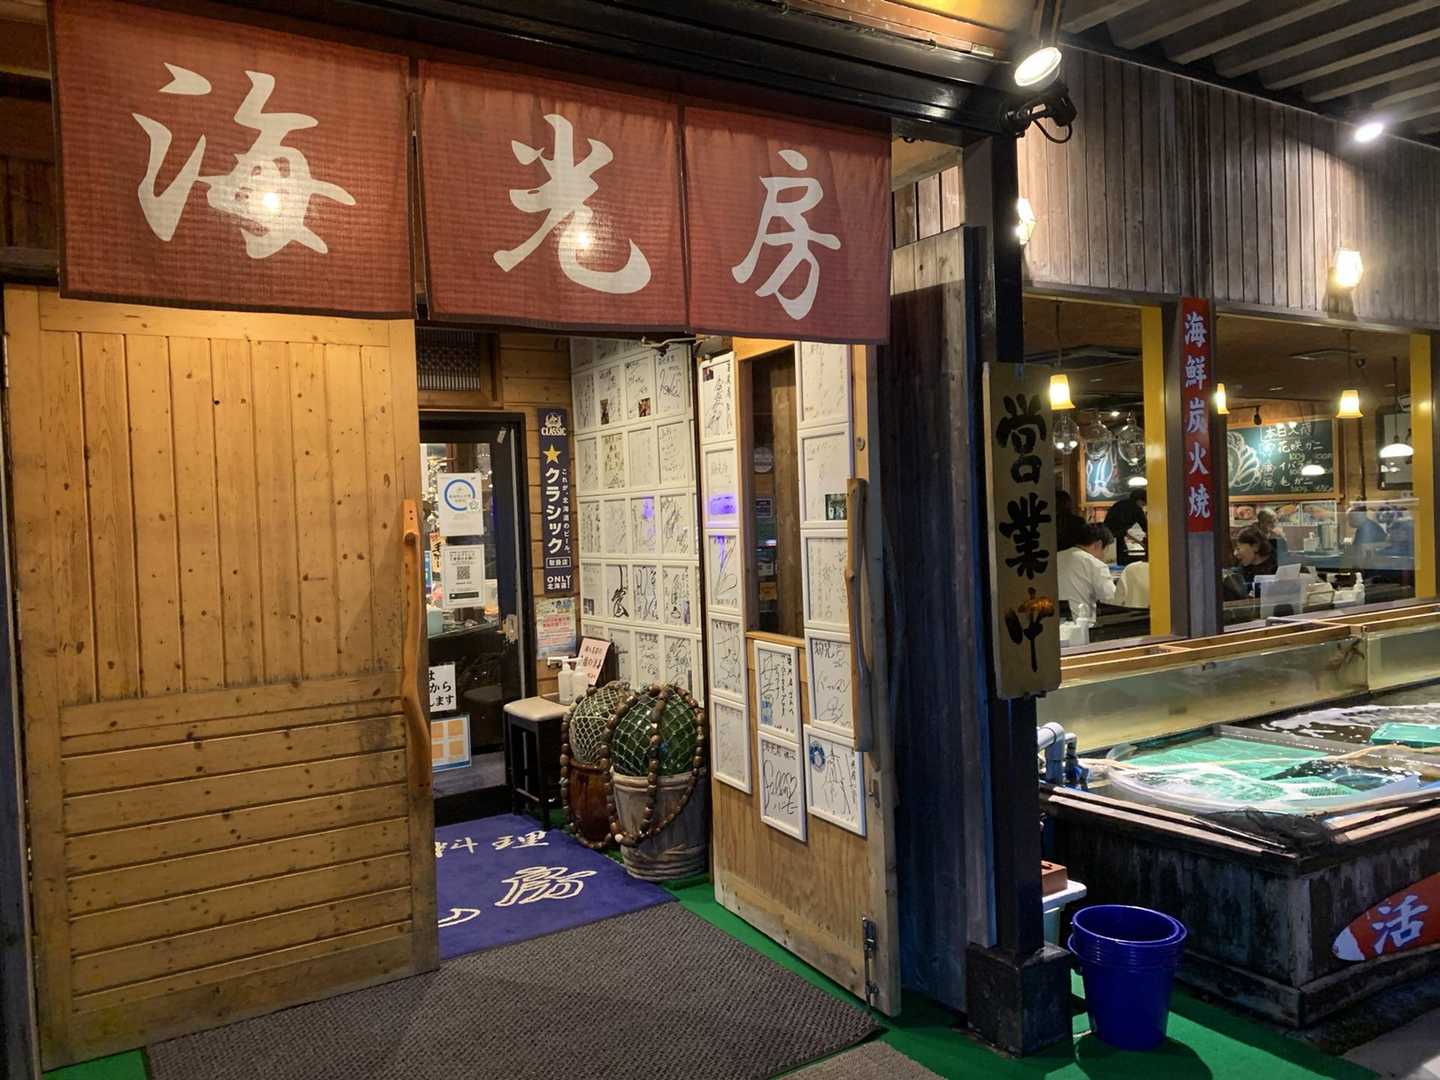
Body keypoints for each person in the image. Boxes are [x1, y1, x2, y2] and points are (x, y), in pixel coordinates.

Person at [1059, 523, 1116, 617]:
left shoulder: (1056, 556)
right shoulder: (1095, 564)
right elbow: (1111, 599)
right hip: (1081, 621)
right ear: (1098, 544)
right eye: (1106, 549)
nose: (1104, 555)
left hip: (1052, 620)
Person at [1222, 525, 1277, 600]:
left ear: (1255, 546)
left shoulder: (1277, 569)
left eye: (1238, 548)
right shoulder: (1238, 574)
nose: (1235, 553)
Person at [1103, 488, 1148, 565]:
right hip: (1114, 539)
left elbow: (1120, 530)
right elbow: (1146, 527)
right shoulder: (1137, 509)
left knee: (1115, 559)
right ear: (1140, 500)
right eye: (1144, 503)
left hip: (1106, 536)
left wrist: (1140, 543)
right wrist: (1146, 543)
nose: (1144, 506)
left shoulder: (1119, 504)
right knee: (1121, 559)